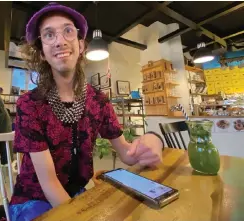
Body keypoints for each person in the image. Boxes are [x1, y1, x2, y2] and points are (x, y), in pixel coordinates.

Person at [10, 3, 164, 220]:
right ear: (42, 52)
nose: (60, 41)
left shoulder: (98, 100)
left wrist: (152, 140)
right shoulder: (29, 104)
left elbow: (128, 155)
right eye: (49, 35)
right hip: (35, 200)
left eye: (68, 31)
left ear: (81, 45)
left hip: (78, 194)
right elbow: (49, 183)